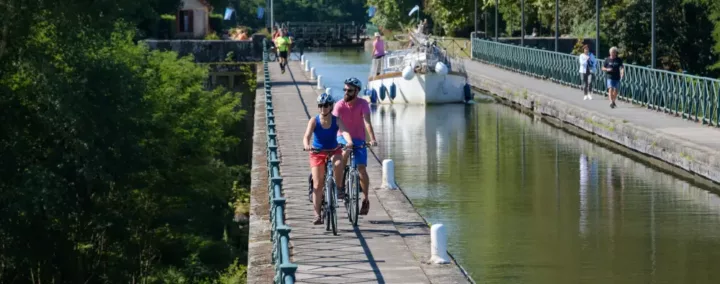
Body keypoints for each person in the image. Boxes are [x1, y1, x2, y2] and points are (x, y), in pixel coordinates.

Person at [303, 93, 354, 225]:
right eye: (320, 105)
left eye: (326, 105)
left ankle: (338, 188)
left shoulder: (336, 120)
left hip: (333, 150)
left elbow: (345, 131)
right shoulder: (314, 121)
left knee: (338, 164)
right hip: (317, 152)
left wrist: (349, 141)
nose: (323, 108)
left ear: (331, 106)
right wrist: (307, 145)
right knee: (318, 184)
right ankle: (317, 215)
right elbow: (306, 136)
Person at [333, 77, 378, 216]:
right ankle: (340, 187)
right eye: (345, 89)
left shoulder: (363, 103)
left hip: (359, 138)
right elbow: (334, 123)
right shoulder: (339, 105)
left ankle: (365, 199)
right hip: (342, 137)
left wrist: (373, 139)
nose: (346, 92)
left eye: (350, 90)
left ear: (357, 91)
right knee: (345, 152)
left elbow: (367, 122)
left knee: (362, 170)